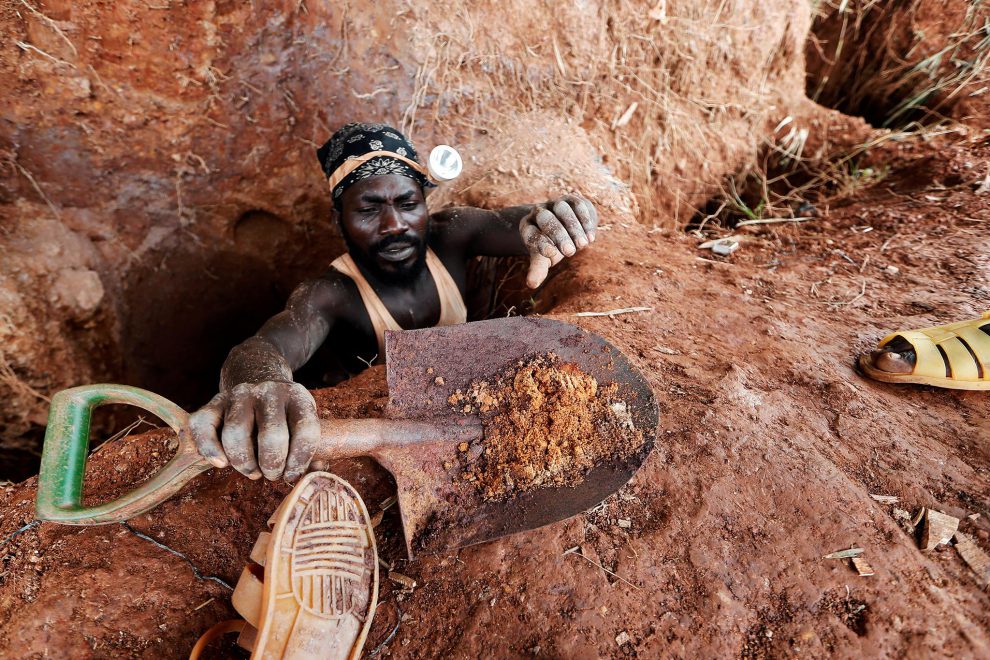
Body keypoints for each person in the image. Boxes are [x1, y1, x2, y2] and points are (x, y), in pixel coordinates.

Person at [189, 123, 599, 483]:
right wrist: (261, 380)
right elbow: (266, 347)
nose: (394, 226)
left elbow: (517, 222)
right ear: (339, 221)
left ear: (425, 203)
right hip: (390, 429)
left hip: (474, 410)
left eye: (407, 204)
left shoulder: (451, 235)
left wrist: (554, 219)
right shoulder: (332, 292)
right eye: (369, 209)